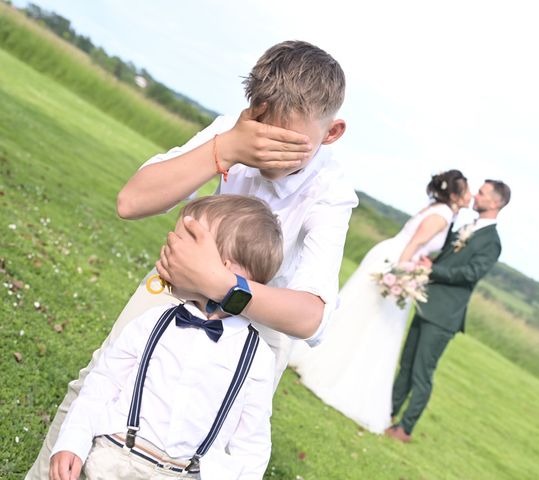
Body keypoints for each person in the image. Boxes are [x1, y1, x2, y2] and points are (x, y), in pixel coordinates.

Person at [27, 40, 358, 479]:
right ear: (253, 110)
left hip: (259, 319)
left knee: (198, 437)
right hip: (177, 286)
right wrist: (224, 150)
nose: (269, 150)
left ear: (331, 133)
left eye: (288, 142)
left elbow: (311, 318)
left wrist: (223, 285)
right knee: (99, 386)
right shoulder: (232, 134)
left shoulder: (329, 192)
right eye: (263, 131)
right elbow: (131, 202)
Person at [49, 194, 283, 480]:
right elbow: (103, 383)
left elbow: (252, 446)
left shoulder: (256, 357)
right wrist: (72, 441)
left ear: (223, 269)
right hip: (111, 459)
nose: (168, 251)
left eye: (184, 246)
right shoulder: (151, 321)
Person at [289, 170, 471, 434]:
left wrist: (418, 263)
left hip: (395, 258)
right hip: (395, 263)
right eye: (465, 191)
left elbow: (418, 245)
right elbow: (415, 242)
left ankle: (330, 363)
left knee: (365, 318)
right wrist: (398, 275)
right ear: (454, 195)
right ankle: (331, 371)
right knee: (371, 321)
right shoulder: (442, 215)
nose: (469, 196)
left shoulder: (440, 209)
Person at [386, 179, 511, 443]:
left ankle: (405, 429)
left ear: (496, 202)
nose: (476, 195)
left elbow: (471, 273)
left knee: (422, 373)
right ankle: (388, 413)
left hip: (444, 316)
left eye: (482, 193)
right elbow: (445, 254)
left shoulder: (492, 240)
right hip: (425, 301)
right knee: (406, 365)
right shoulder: (468, 226)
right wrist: (428, 262)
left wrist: (434, 270)